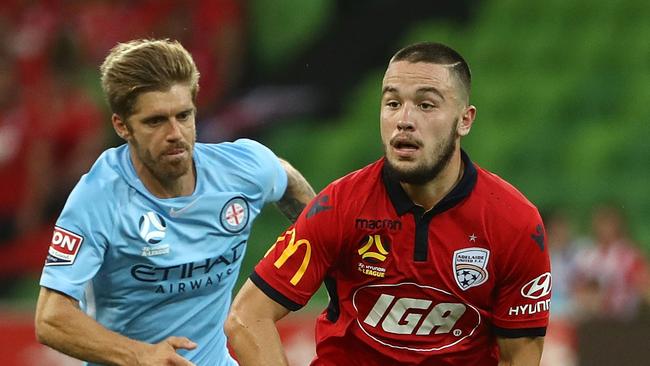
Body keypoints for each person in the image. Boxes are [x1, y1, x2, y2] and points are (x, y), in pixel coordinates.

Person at [225, 42, 551, 365]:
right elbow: (246, 318)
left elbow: (520, 353)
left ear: (464, 120)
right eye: (393, 103)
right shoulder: (339, 206)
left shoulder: (515, 223)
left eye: (426, 105)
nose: (404, 120)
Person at [34, 38, 315, 366]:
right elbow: (51, 319)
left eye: (184, 115)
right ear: (122, 126)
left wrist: (329, 254)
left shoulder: (241, 169)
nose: (175, 134)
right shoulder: (98, 198)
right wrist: (140, 355)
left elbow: (286, 179)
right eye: (155, 121)